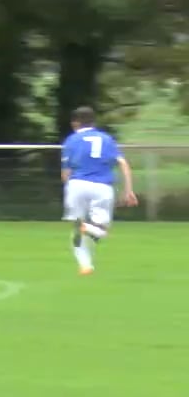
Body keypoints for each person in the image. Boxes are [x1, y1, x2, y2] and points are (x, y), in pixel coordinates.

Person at [61, 106, 138, 276]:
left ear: (75, 123)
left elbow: (65, 173)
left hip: (77, 185)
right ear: (93, 122)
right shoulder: (107, 139)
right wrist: (128, 190)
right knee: (100, 230)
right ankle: (86, 264)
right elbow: (123, 164)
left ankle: (85, 265)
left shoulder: (71, 140)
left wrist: (70, 189)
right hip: (101, 187)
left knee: (78, 228)